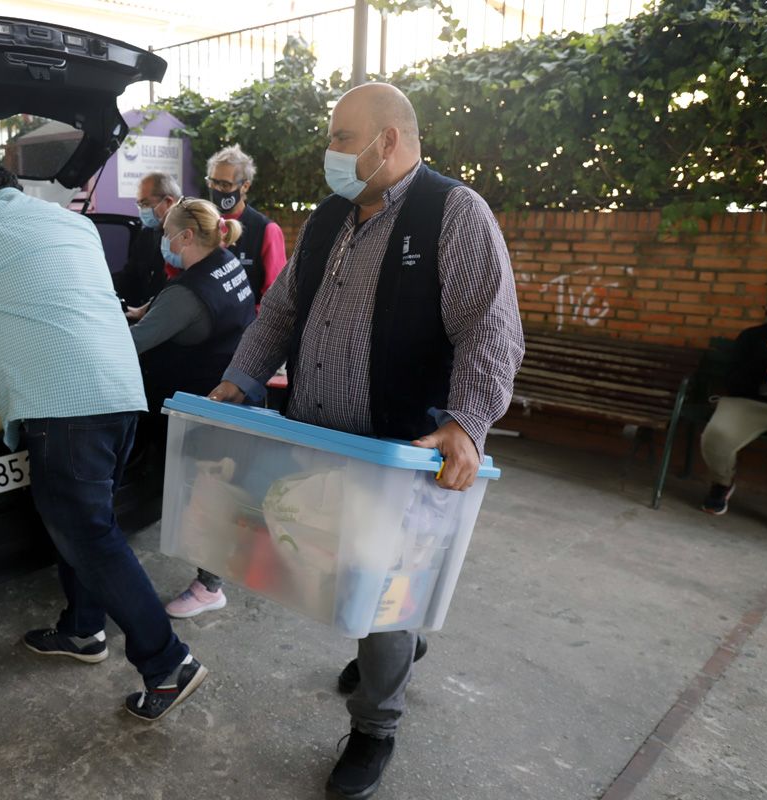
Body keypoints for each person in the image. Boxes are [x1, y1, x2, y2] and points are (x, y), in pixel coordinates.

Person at [208, 83, 524, 798]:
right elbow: (281, 310)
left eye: (343, 138)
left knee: (384, 591)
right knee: (343, 565)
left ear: (389, 140)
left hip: (401, 452)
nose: (331, 153)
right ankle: (401, 640)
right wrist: (241, 378)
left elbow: (490, 328)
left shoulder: (453, 212)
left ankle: (375, 725)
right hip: (323, 442)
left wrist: (468, 423)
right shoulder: (329, 217)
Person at [0, 165, 207, 721]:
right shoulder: (72, 226)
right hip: (122, 391)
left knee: (91, 536)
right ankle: (83, 631)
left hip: (66, 404)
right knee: (89, 525)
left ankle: (167, 663)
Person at [126, 198, 258, 618]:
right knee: (215, 490)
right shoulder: (227, 261)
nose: (163, 243)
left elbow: (134, 343)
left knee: (204, 495)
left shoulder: (188, 292)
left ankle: (209, 587)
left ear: (185, 236)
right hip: (228, 394)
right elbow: (176, 305)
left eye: (166, 235)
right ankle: (213, 576)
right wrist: (149, 309)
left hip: (200, 405)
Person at [700, 280, 767, 535]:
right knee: (717, 435)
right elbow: (734, 384)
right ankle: (722, 482)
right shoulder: (751, 337)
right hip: (748, 404)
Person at [205, 145, 288, 301]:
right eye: (212, 182)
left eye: (225, 184)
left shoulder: (266, 230)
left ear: (245, 186)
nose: (216, 189)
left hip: (248, 323)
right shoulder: (203, 224)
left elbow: (275, 296)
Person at [116, 172, 180, 311]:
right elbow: (130, 276)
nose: (142, 210)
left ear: (169, 202)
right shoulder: (147, 234)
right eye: (139, 204)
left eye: (145, 203)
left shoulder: (186, 239)